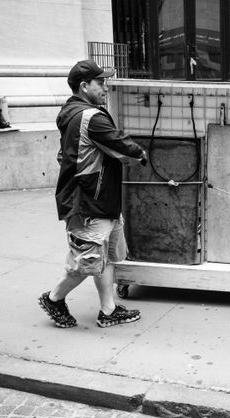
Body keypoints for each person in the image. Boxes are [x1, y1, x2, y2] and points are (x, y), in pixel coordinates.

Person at [38, 59, 148, 328]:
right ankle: (54, 298)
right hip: (89, 203)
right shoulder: (91, 117)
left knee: (105, 257)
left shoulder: (73, 113)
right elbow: (121, 144)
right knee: (85, 263)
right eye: (100, 83)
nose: (105, 87)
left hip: (99, 200)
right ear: (84, 86)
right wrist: (141, 154)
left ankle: (108, 310)